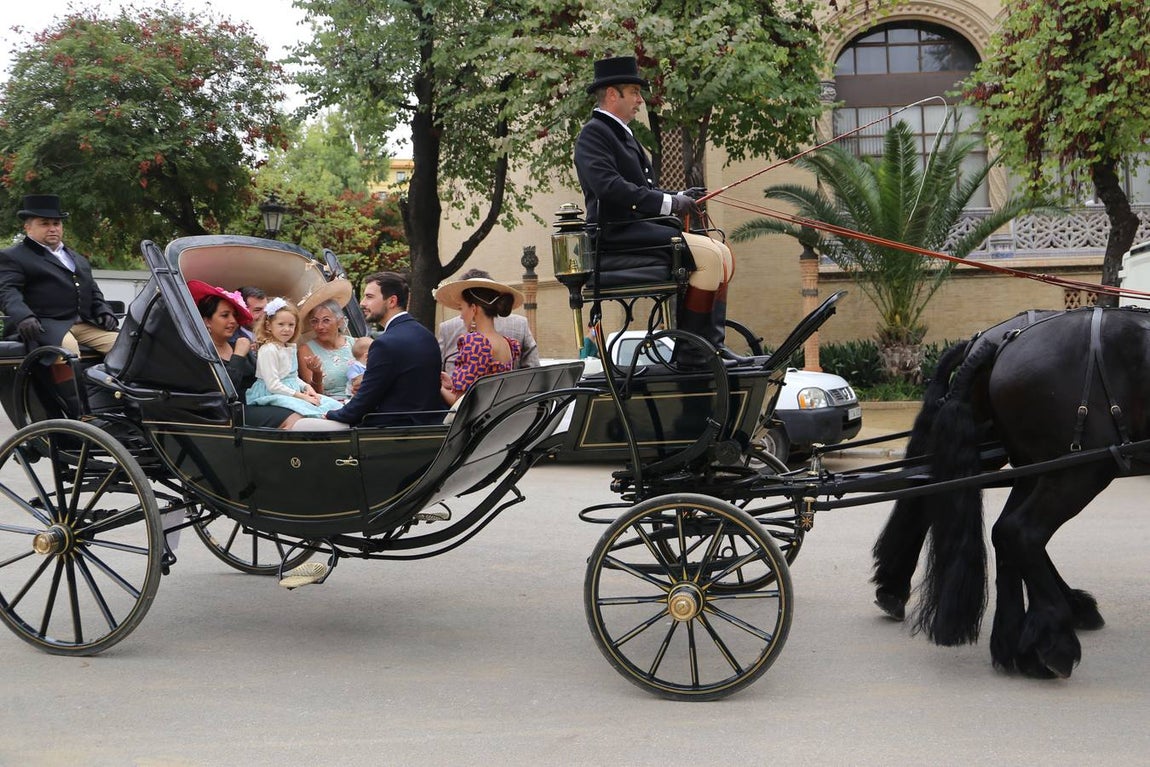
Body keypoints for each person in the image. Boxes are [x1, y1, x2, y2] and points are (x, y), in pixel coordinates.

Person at [573, 56, 738, 364]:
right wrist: (670, 204)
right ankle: (694, 352)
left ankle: (712, 344)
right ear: (613, 95)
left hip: (637, 230)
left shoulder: (619, 133)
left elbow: (642, 189)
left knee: (723, 253)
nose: (640, 100)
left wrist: (678, 196)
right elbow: (610, 187)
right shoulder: (594, 134)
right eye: (634, 92)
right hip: (616, 235)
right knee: (709, 257)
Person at [317, 272, 444, 428]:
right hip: (429, 425)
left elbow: (363, 403)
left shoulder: (385, 344)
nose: (362, 303)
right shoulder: (426, 335)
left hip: (392, 429)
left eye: (369, 297)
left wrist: (330, 414)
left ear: (391, 301)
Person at [0, 194, 120, 356]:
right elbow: (7, 291)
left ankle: (107, 374)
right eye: (44, 224)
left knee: (128, 346)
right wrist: (23, 316)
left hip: (84, 324)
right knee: (68, 351)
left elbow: (93, 291)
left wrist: (104, 310)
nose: (52, 228)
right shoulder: (13, 256)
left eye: (56, 223)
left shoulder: (78, 258)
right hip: (41, 325)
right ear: (28, 228)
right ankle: (68, 374)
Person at [189, 280, 301, 429]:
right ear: (207, 321)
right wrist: (238, 356)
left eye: (234, 315)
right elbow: (222, 394)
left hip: (259, 401)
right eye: (225, 315)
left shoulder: (240, 345)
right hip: (230, 411)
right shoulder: (202, 353)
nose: (233, 321)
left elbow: (263, 380)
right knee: (294, 418)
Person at [434, 277, 523, 406]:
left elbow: (459, 402)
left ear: (474, 309)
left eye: (461, 308)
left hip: (478, 417)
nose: (461, 316)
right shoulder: (508, 343)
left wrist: (438, 386)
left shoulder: (476, 343)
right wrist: (453, 384)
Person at [246, 297, 342, 417]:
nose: (287, 329)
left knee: (331, 404)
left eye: (291, 325)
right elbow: (273, 385)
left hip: (292, 392)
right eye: (281, 324)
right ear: (269, 326)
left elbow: (292, 377)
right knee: (312, 411)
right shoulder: (268, 349)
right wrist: (301, 396)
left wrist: (307, 387)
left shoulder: (289, 347)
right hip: (272, 393)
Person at [436, 268, 538, 375]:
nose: (461, 315)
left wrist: (445, 383)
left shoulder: (450, 330)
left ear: (473, 307)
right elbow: (534, 373)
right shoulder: (518, 329)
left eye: (461, 307)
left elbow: (438, 371)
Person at [296, 278, 358, 400]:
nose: (319, 326)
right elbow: (314, 395)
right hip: (329, 405)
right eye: (315, 321)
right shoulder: (305, 350)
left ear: (339, 321)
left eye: (326, 320)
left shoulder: (355, 344)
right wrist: (317, 374)